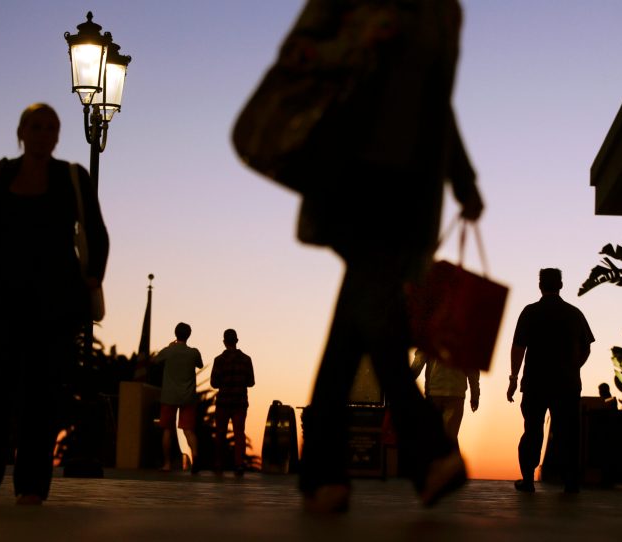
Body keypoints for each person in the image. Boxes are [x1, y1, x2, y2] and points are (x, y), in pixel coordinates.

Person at [236, 0, 484, 513]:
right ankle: (429, 451)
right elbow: (297, 53)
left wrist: (462, 178)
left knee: (356, 327)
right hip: (349, 174)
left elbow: (438, 101)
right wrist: (360, 38)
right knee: (376, 317)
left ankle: (325, 476)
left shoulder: (442, 12)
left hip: (411, 191)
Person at [0, 103, 109, 505]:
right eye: (35, 126)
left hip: (55, 304)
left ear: (57, 135)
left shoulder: (71, 177)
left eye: (50, 127)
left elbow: (95, 229)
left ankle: (33, 486)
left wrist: (94, 276)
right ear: (21, 132)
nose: (43, 133)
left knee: (42, 394)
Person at [507, 268, 595, 493]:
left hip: (535, 383)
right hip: (567, 384)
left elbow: (518, 347)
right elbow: (586, 348)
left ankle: (527, 479)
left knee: (533, 430)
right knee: (567, 432)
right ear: (561, 286)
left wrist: (514, 378)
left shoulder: (530, 312)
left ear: (540, 286)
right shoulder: (574, 313)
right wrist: (574, 367)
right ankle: (570, 482)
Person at [155, 322, 204, 473]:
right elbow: (200, 365)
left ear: (175, 334)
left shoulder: (169, 351)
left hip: (169, 396)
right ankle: (195, 457)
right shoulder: (194, 352)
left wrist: (170, 347)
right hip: (188, 397)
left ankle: (167, 464)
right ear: (189, 335)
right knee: (188, 430)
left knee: (167, 430)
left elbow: (155, 360)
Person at [411, 349, 479, 445]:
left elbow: (418, 363)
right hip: (456, 394)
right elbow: (473, 370)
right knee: (449, 439)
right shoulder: (465, 338)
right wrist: (475, 395)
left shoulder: (429, 335)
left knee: (431, 437)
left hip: (433, 393)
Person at [210, 328, 255, 476]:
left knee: (220, 433)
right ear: (236, 341)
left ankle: (218, 464)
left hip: (223, 402)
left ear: (224, 342)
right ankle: (239, 464)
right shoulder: (246, 359)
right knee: (239, 433)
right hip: (240, 402)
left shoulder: (219, 360)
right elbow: (251, 382)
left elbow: (214, 383)